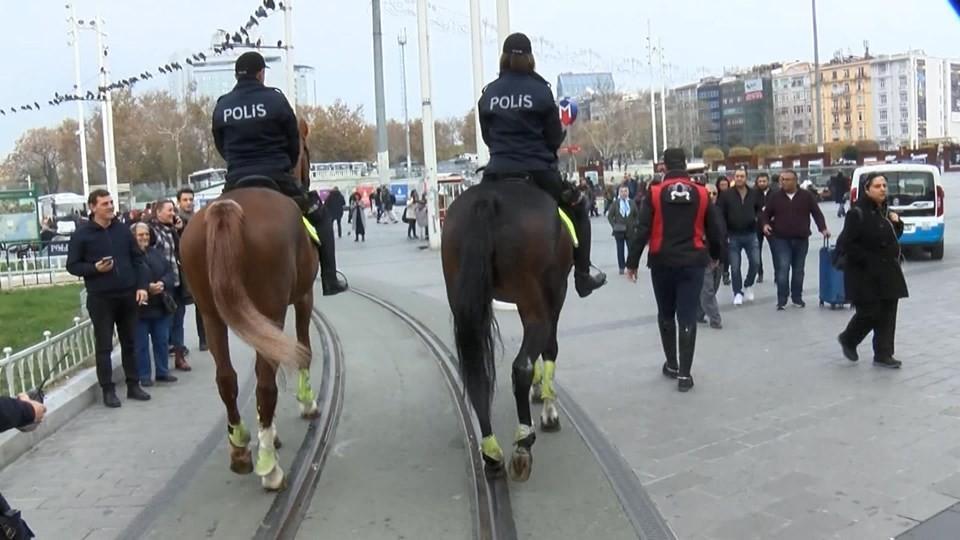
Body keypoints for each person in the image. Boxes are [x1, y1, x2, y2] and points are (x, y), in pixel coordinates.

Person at [477, 32, 606, 298]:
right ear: (529, 57)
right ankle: (583, 275)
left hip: (497, 170)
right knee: (579, 208)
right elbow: (550, 137)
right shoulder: (541, 91)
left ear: (503, 57)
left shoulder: (489, 93)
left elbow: (487, 136)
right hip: (537, 169)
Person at [211, 51, 347, 296]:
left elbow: (220, 144)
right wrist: (284, 163)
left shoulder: (223, 105)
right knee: (322, 218)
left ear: (236, 74)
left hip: (235, 180)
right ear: (261, 73)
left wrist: (237, 163)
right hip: (276, 177)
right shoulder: (275, 101)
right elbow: (293, 143)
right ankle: (330, 278)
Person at [625, 149, 724, 392]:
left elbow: (642, 229)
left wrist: (632, 262)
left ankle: (671, 363)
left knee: (666, 313)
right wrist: (716, 256)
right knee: (687, 315)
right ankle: (685, 375)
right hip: (693, 262)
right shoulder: (701, 192)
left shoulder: (655, 192)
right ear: (686, 165)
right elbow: (715, 230)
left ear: (664, 166)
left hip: (662, 261)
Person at [66, 189, 151, 408]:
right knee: (104, 346)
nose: (111, 207)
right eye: (105, 204)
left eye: (111, 202)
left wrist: (141, 287)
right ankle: (108, 390)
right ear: (93, 207)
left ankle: (134, 385)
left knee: (129, 342)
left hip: (127, 295)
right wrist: (94, 268)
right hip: (101, 298)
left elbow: (139, 260)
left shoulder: (122, 230)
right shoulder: (82, 234)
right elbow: (72, 265)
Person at [836, 173, 908, 368]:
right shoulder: (857, 213)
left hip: (887, 273)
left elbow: (891, 237)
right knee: (870, 312)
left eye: (884, 185)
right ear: (867, 189)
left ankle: (884, 354)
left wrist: (897, 223)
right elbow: (848, 244)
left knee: (887, 313)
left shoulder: (884, 211)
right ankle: (849, 338)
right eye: (877, 186)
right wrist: (869, 260)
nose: (883, 189)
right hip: (863, 274)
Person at [760, 169, 830, 310]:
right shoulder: (775, 197)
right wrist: (765, 224)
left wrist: (823, 228)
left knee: (798, 270)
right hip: (781, 238)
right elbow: (765, 214)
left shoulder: (806, 196)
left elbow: (817, 213)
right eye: (782, 179)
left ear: (795, 181)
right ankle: (782, 298)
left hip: (801, 238)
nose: (783, 182)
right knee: (783, 268)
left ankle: (797, 297)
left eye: (787, 179)